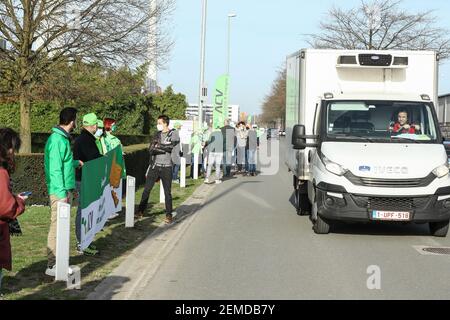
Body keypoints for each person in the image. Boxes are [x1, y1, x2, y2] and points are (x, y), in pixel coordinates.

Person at [44, 107, 83, 276]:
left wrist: (76, 163)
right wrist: (62, 194)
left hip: (65, 190)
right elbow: (55, 170)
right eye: (76, 119)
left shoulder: (62, 139)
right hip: (60, 192)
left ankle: (59, 263)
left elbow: (64, 163)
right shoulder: (57, 140)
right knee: (57, 227)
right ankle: (52, 265)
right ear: (72, 121)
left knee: (62, 227)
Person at [137, 115, 179, 224]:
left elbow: (171, 147)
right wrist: (163, 147)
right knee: (147, 190)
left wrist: (158, 146)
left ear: (165, 123)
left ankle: (168, 215)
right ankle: (140, 211)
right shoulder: (157, 134)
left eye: (159, 123)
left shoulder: (173, 133)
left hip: (167, 168)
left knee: (167, 192)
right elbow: (151, 149)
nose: (158, 125)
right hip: (155, 166)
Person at [0, 128, 26, 293]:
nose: (13, 153)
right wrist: (19, 202)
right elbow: (5, 208)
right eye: (12, 148)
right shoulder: (1, 173)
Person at [73, 113, 102, 256]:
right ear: (93, 125)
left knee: (86, 209)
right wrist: (107, 159)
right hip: (83, 179)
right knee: (84, 210)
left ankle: (85, 240)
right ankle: (82, 242)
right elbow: (94, 158)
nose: (97, 127)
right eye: (96, 124)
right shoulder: (86, 140)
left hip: (84, 178)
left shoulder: (84, 138)